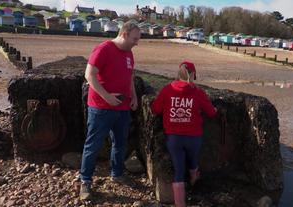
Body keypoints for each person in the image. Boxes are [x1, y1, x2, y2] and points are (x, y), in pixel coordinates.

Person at [79, 21, 141, 201]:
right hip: (101, 108)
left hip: (122, 108)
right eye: (135, 38)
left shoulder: (129, 53)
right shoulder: (103, 49)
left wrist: (134, 96)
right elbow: (89, 75)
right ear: (124, 34)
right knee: (93, 145)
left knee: (120, 143)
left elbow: (130, 77)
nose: (137, 42)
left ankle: (117, 173)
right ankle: (85, 181)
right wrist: (106, 97)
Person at [151, 61, 217, 207]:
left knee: (178, 170)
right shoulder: (198, 92)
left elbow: (155, 109)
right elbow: (211, 113)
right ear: (193, 75)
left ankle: (180, 204)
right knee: (193, 161)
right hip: (194, 138)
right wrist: (216, 110)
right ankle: (194, 177)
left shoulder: (167, 90)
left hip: (174, 139)